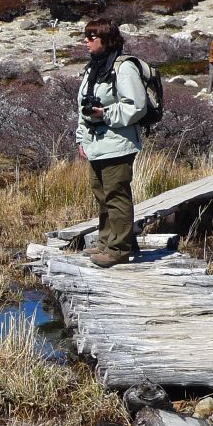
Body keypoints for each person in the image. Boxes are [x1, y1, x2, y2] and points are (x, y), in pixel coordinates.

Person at [74, 17, 146, 268]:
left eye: (91, 37)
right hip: (96, 143)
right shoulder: (94, 67)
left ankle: (119, 248)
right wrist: (81, 138)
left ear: (106, 39)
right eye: (86, 36)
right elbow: (83, 108)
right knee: (101, 194)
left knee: (117, 195)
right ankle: (106, 241)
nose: (86, 41)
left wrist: (104, 114)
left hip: (118, 142)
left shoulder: (123, 68)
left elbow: (135, 107)